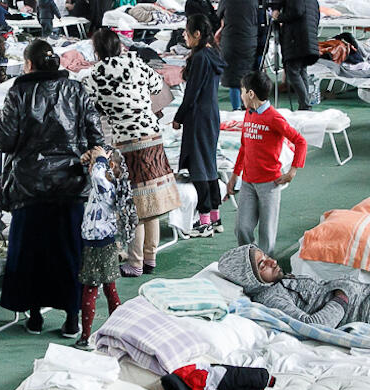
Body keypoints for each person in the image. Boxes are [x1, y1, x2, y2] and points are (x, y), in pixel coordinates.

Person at [0, 38, 104, 337]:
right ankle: (72, 319)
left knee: (31, 253)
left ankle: (35, 316)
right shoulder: (77, 90)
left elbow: (4, 139)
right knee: (70, 252)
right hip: (72, 183)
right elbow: (95, 134)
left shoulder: (19, 91)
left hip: (30, 184)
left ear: (28, 64)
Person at [84, 27, 180, 276]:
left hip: (126, 142)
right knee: (152, 198)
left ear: (97, 50)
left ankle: (135, 262)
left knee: (134, 202)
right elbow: (158, 87)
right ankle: (150, 258)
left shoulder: (95, 74)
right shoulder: (135, 63)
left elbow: (91, 106)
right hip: (151, 134)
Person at [217, 242, 370, 331]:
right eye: (262, 265)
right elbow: (313, 325)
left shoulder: (277, 281)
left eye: (266, 257)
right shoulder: (271, 298)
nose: (273, 262)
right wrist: (342, 295)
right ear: (250, 278)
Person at [224, 70, 307, 255]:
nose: (241, 95)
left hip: (269, 184)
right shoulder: (249, 113)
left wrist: (292, 171)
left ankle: (264, 265)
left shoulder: (274, 117)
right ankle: (249, 259)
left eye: (242, 90)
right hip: (248, 182)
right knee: (242, 228)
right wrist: (234, 176)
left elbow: (300, 141)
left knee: (266, 233)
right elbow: (245, 146)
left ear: (251, 94)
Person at [77, 148, 136, 347]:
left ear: (110, 167)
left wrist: (100, 157)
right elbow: (94, 174)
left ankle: (85, 337)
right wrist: (90, 159)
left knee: (90, 288)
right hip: (105, 242)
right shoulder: (110, 185)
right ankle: (116, 332)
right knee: (110, 288)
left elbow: (96, 175)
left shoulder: (106, 187)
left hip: (97, 244)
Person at [173, 16, 224, 237]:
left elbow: (191, 93)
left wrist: (179, 116)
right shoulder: (211, 54)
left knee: (199, 167)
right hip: (210, 114)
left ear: (197, 34)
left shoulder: (201, 58)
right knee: (209, 163)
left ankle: (203, 221)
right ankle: (215, 216)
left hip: (198, 117)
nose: (184, 35)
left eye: (186, 31)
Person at [270, 0, 320, 111]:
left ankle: (305, 104)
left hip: (295, 39)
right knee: (301, 70)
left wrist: (279, 17)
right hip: (307, 39)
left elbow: (296, 11)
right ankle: (306, 103)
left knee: (292, 71)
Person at [217, 0, 259, 111]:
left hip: (230, 41)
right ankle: (249, 107)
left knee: (233, 79)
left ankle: (236, 109)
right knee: (247, 77)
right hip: (249, 41)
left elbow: (218, 14)